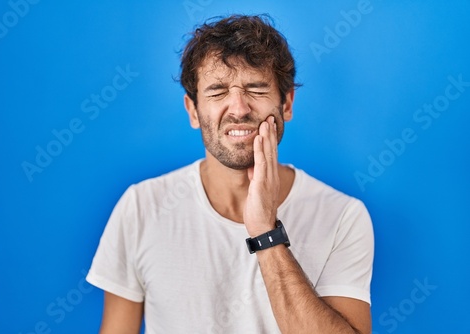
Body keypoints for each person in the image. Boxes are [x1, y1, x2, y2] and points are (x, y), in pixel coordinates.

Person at [87, 14, 374, 334]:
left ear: (287, 104)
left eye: (256, 88)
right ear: (193, 110)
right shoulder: (141, 207)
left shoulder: (343, 216)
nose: (238, 109)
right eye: (217, 91)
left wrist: (266, 232)